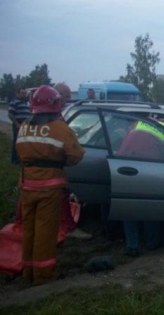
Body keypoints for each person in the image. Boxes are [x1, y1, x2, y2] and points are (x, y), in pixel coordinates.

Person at [16, 85, 85, 286]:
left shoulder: (25, 126)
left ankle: (27, 272)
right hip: (49, 186)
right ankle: (44, 276)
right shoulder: (59, 128)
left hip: (26, 185)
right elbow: (76, 155)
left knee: (28, 229)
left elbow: (19, 151)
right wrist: (58, 162)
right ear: (55, 105)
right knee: (46, 231)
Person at [117, 119, 164, 257]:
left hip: (124, 166)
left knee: (129, 207)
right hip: (147, 168)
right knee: (149, 206)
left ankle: (132, 246)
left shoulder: (136, 123)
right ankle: (153, 242)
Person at [53, 82, 93, 240]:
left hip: (30, 174)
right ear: (58, 95)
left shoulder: (34, 119)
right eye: (67, 96)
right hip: (53, 169)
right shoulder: (57, 119)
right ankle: (68, 228)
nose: (69, 99)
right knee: (61, 197)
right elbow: (75, 151)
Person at [8, 87, 30, 164]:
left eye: (25, 93)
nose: (24, 95)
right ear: (18, 94)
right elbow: (10, 114)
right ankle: (14, 160)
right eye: (22, 93)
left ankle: (21, 159)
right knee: (17, 142)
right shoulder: (14, 102)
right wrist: (17, 124)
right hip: (18, 124)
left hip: (26, 125)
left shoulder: (26, 103)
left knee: (24, 143)